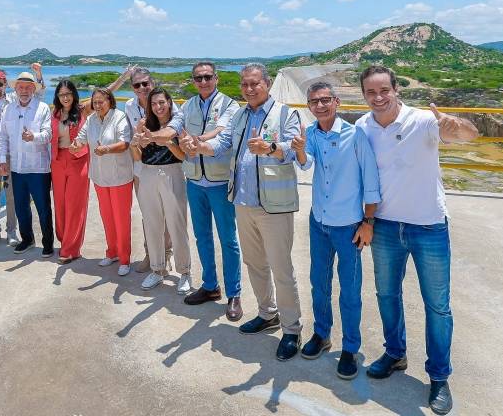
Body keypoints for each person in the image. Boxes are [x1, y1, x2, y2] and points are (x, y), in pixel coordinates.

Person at [357, 65, 477, 415]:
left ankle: (439, 377)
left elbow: (467, 135)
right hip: (384, 228)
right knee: (387, 295)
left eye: (384, 90)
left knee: (437, 306)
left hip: (428, 226)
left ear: (395, 89)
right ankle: (395, 353)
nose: (378, 98)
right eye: (371, 92)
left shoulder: (424, 120)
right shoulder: (363, 127)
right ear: (364, 94)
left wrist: (457, 126)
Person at [187, 62, 304, 361]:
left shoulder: (284, 113)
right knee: (255, 264)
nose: (250, 89)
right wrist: (199, 147)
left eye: (255, 83)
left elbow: (293, 149)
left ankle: (291, 329)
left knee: (281, 269)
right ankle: (268, 313)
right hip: (243, 202)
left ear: (267, 83)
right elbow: (224, 143)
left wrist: (270, 148)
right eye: (245, 85)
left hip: (274, 207)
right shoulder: (240, 114)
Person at [291, 81, 381, 380]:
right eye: (314, 102)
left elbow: (371, 181)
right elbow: (307, 165)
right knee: (319, 283)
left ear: (336, 102)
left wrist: (368, 222)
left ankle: (350, 347)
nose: (320, 106)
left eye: (325, 100)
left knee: (350, 290)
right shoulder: (313, 133)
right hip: (320, 222)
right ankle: (321, 333)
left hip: (349, 226)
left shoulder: (355, 135)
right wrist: (301, 151)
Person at [176, 62, 243, 321]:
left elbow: (223, 137)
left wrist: (197, 142)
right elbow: (175, 125)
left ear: (216, 77)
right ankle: (210, 285)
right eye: (198, 78)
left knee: (228, 240)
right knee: (202, 237)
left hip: (218, 183)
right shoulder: (188, 105)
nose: (203, 81)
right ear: (193, 80)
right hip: (194, 182)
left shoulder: (229, 105)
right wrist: (163, 136)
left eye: (207, 77)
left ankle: (234, 293)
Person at [130, 87, 192, 293]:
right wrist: (135, 144)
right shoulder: (143, 124)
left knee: (177, 224)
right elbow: (138, 156)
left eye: (162, 103)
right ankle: (157, 270)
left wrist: (163, 141)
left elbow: (183, 156)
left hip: (172, 172)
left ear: (169, 102)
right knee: (152, 224)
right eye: (154, 103)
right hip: (147, 174)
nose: (158, 107)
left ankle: (184, 272)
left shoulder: (177, 123)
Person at [124, 67, 183, 273]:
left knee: (168, 216)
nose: (142, 88)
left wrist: (151, 136)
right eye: (137, 85)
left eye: (145, 83)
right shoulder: (130, 107)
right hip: (142, 168)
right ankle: (151, 254)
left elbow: (173, 129)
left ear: (152, 83)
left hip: (166, 166)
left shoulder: (166, 104)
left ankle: (166, 255)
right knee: (148, 215)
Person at [70, 88, 134, 276]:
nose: (97, 105)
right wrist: (76, 146)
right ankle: (112, 252)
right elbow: (81, 139)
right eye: (95, 102)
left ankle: (124, 259)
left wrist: (106, 149)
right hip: (99, 177)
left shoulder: (119, 117)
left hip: (119, 177)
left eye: (101, 102)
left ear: (110, 101)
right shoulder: (91, 120)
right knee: (107, 217)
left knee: (121, 219)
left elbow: (125, 143)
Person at [0, 64, 46, 248]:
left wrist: (38, 75)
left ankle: (11, 231)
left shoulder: (13, 99)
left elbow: (38, 95)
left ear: (5, 85)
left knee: (12, 196)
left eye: (0, 84)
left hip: (13, 155)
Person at [0, 72, 54, 256]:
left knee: (43, 208)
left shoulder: (43, 108)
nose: (24, 90)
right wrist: (2, 161)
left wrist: (33, 137)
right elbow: (2, 138)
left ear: (33, 90)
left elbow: (48, 134)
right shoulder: (8, 109)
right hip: (17, 168)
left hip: (38, 168)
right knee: (21, 207)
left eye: (28, 87)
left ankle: (47, 243)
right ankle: (27, 239)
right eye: (20, 87)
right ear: (15, 89)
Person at [51, 79, 91, 264]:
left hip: (78, 160)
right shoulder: (55, 114)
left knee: (74, 205)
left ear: (74, 94)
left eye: (68, 94)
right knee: (59, 205)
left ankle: (71, 249)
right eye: (61, 94)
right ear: (57, 97)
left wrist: (123, 78)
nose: (65, 97)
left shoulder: (83, 110)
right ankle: (64, 240)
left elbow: (105, 93)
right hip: (58, 161)